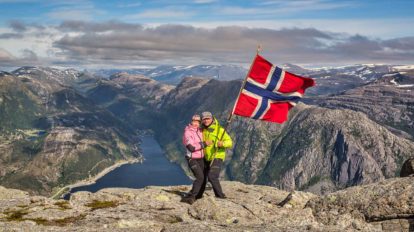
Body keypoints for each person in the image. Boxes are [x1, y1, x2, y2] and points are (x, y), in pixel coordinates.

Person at [199, 111, 232, 199]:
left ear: (212, 119)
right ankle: (198, 195)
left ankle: (220, 196)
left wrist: (222, 144)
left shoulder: (220, 130)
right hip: (206, 157)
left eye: (208, 118)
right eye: (204, 119)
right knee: (202, 176)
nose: (206, 121)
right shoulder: (203, 130)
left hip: (217, 156)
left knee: (212, 176)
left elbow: (229, 142)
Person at [181, 114, 207, 204]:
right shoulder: (187, 132)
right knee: (200, 177)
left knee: (204, 178)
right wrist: (204, 144)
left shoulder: (200, 130)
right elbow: (190, 148)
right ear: (191, 121)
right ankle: (190, 196)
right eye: (194, 121)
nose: (196, 123)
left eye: (198, 122)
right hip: (192, 158)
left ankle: (198, 196)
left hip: (201, 158)